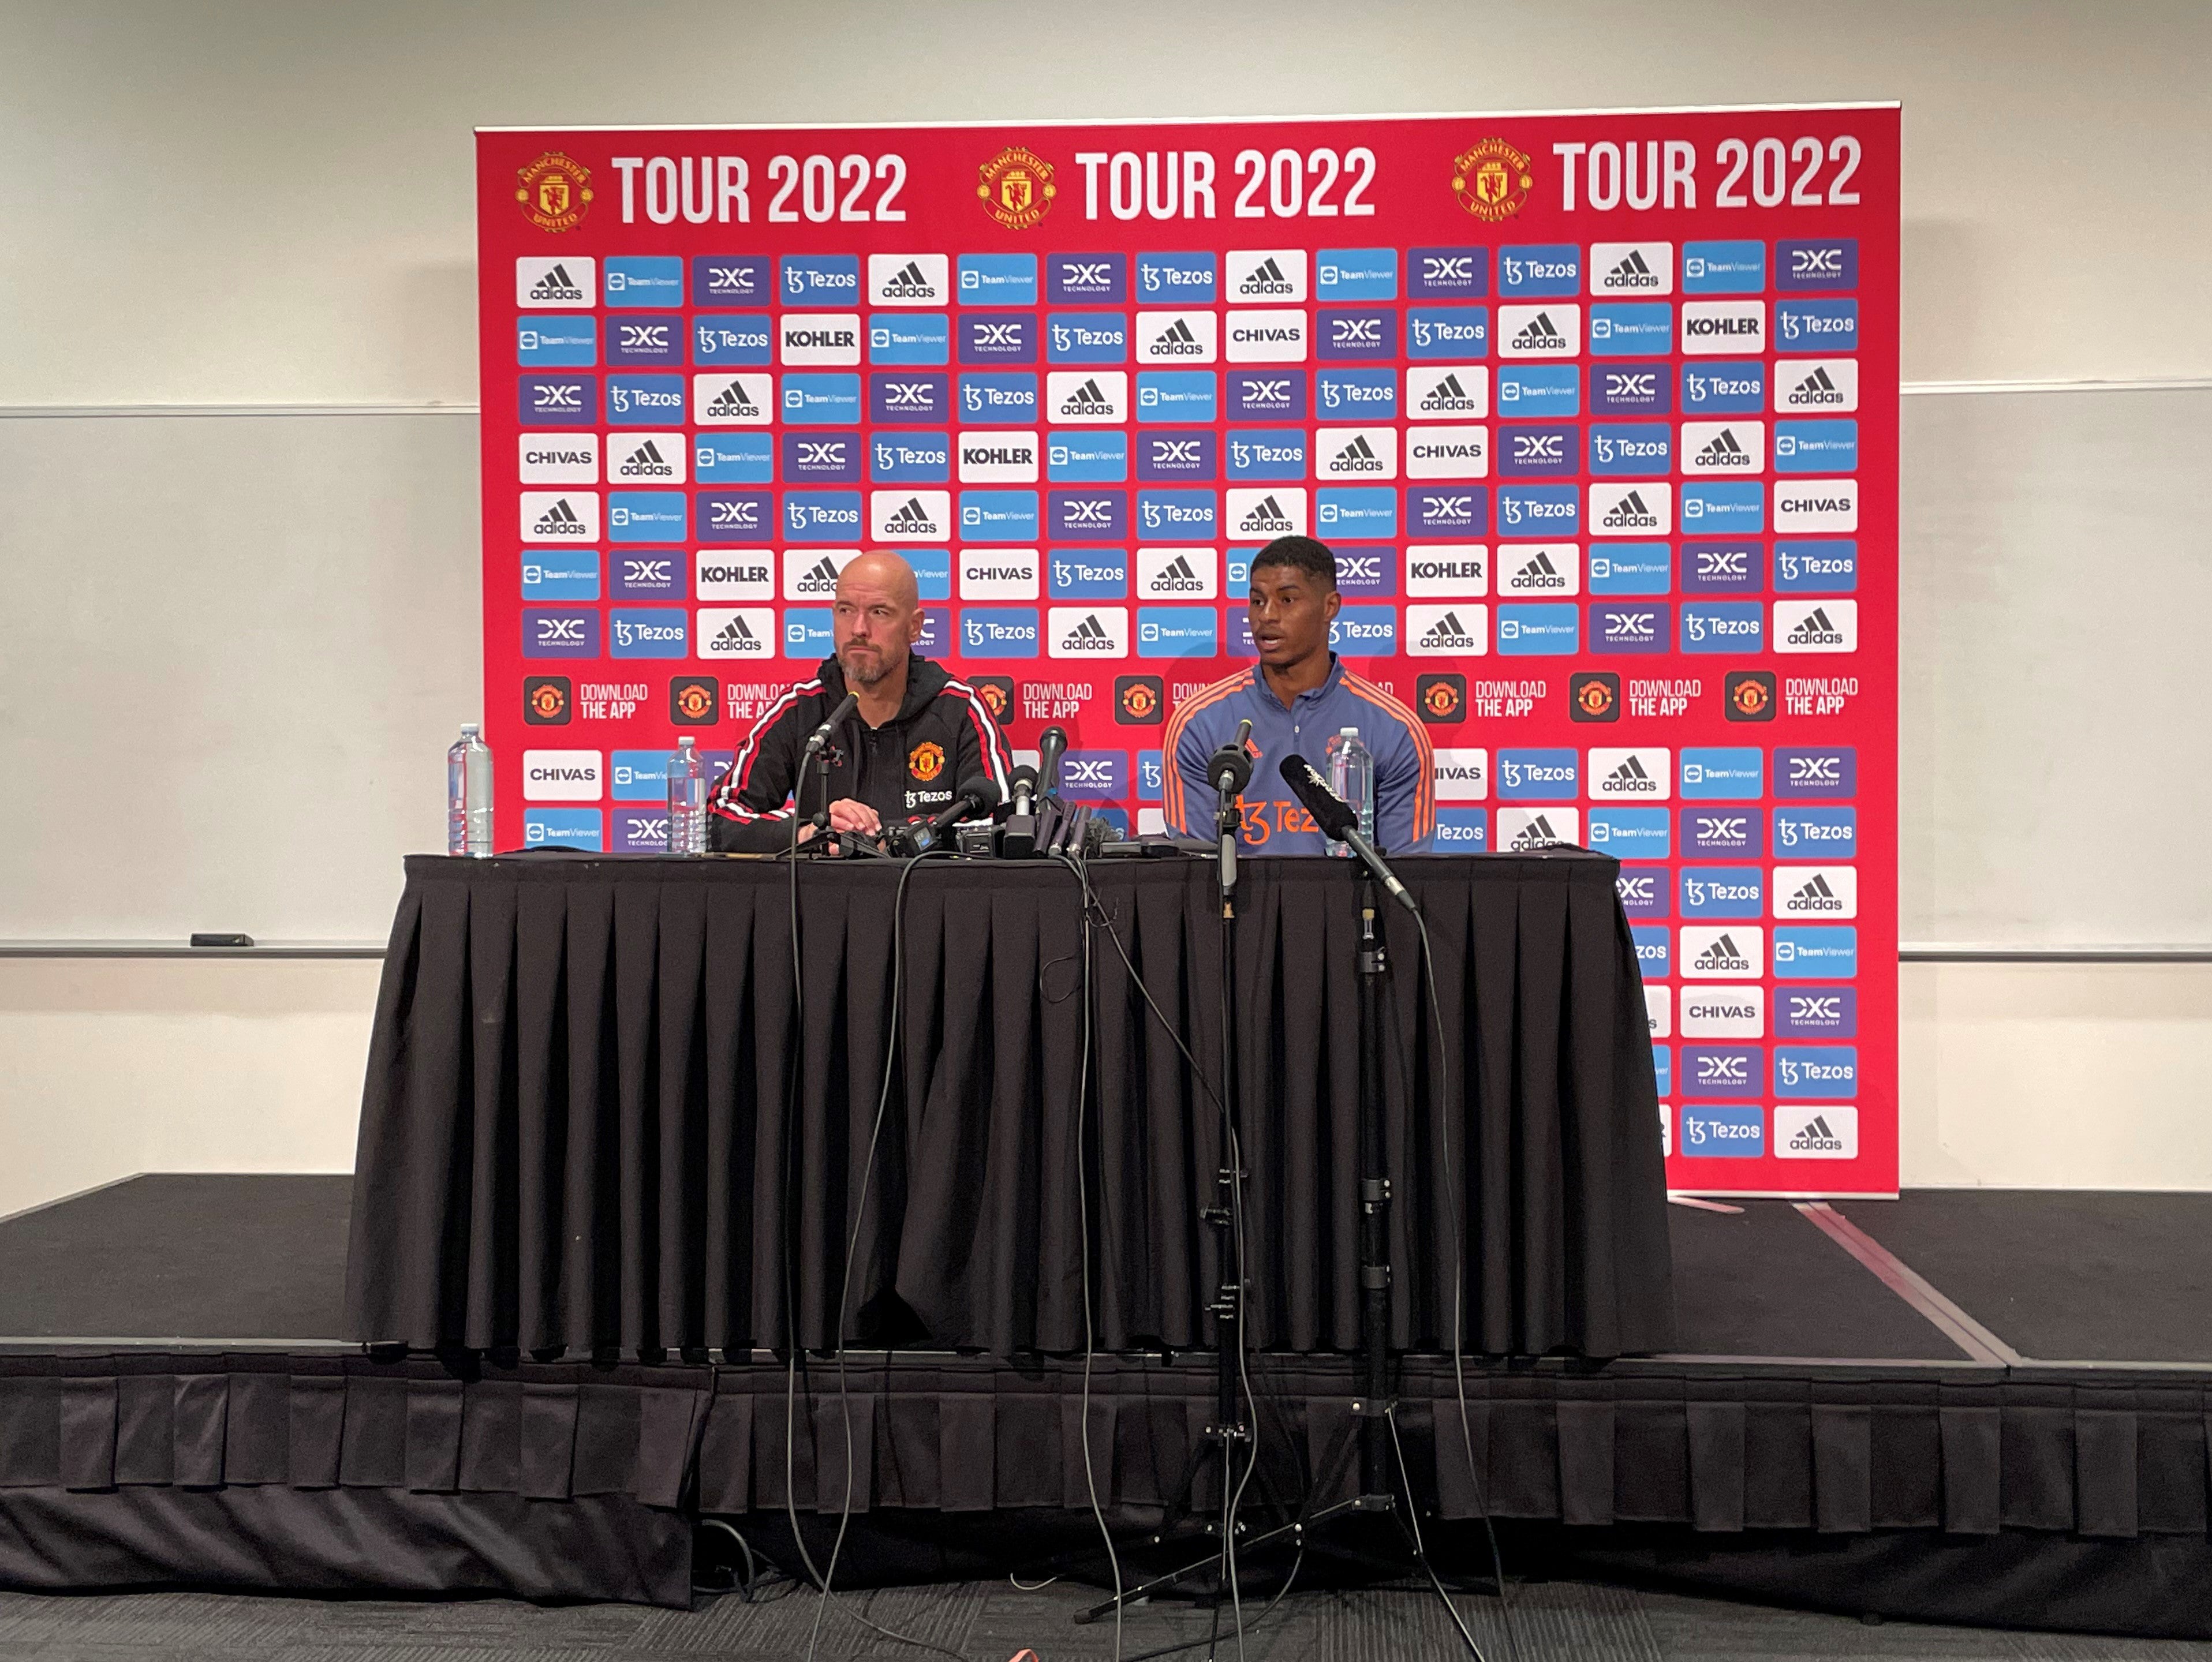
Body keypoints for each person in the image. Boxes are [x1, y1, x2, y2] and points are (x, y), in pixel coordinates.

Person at [707, 551, 1012, 851]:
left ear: (915, 627)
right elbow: (719, 819)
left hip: (928, 897)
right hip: (820, 899)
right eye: (846, 610)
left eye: (880, 612)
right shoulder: (801, 709)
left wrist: (884, 839)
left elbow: (997, 823)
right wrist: (810, 832)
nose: (859, 629)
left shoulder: (960, 709)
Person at [1162, 536, 1435, 855]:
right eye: (1257, 601)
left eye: (1287, 601)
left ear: (1329, 607)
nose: (1267, 616)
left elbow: (1407, 875)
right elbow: (1195, 869)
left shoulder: (1395, 729)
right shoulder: (1199, 723)